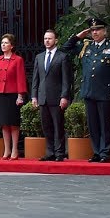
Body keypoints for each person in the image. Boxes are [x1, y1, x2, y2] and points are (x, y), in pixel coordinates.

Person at [62, 16, 110, 162]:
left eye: (98, 30)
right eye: (92, 30)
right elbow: (65, 48)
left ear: (104, 31)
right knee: (93, 124)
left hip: (105, 91)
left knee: (104, 123)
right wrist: (78, 36)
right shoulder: (86, 46)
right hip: (89, 90)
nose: (95, 32)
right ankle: (96, 151)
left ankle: (105, 153)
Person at [30, 29, 72, 162]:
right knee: (46, 126)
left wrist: (64, 96)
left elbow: (66, 79)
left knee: (58, 126)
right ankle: (50, 152)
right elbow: (35, 78)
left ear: (56, 40)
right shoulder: (39, 57)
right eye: (45, 39)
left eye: (49, 38)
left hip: (57, 97)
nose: (47, 41)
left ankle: (59, 153)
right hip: (43, 97)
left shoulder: (62, 57)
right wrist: (34, 96)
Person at [0, 33, 27, 159]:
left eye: (6, 43)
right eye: (2, 43)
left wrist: (20, 95)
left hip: (12, 94)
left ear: (12, 46)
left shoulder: (18, 60)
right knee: (4, 123)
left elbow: (21, 78)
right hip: (0, 93)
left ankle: (15, 149)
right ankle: (7, 149)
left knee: (13, 123)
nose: (3, 45)